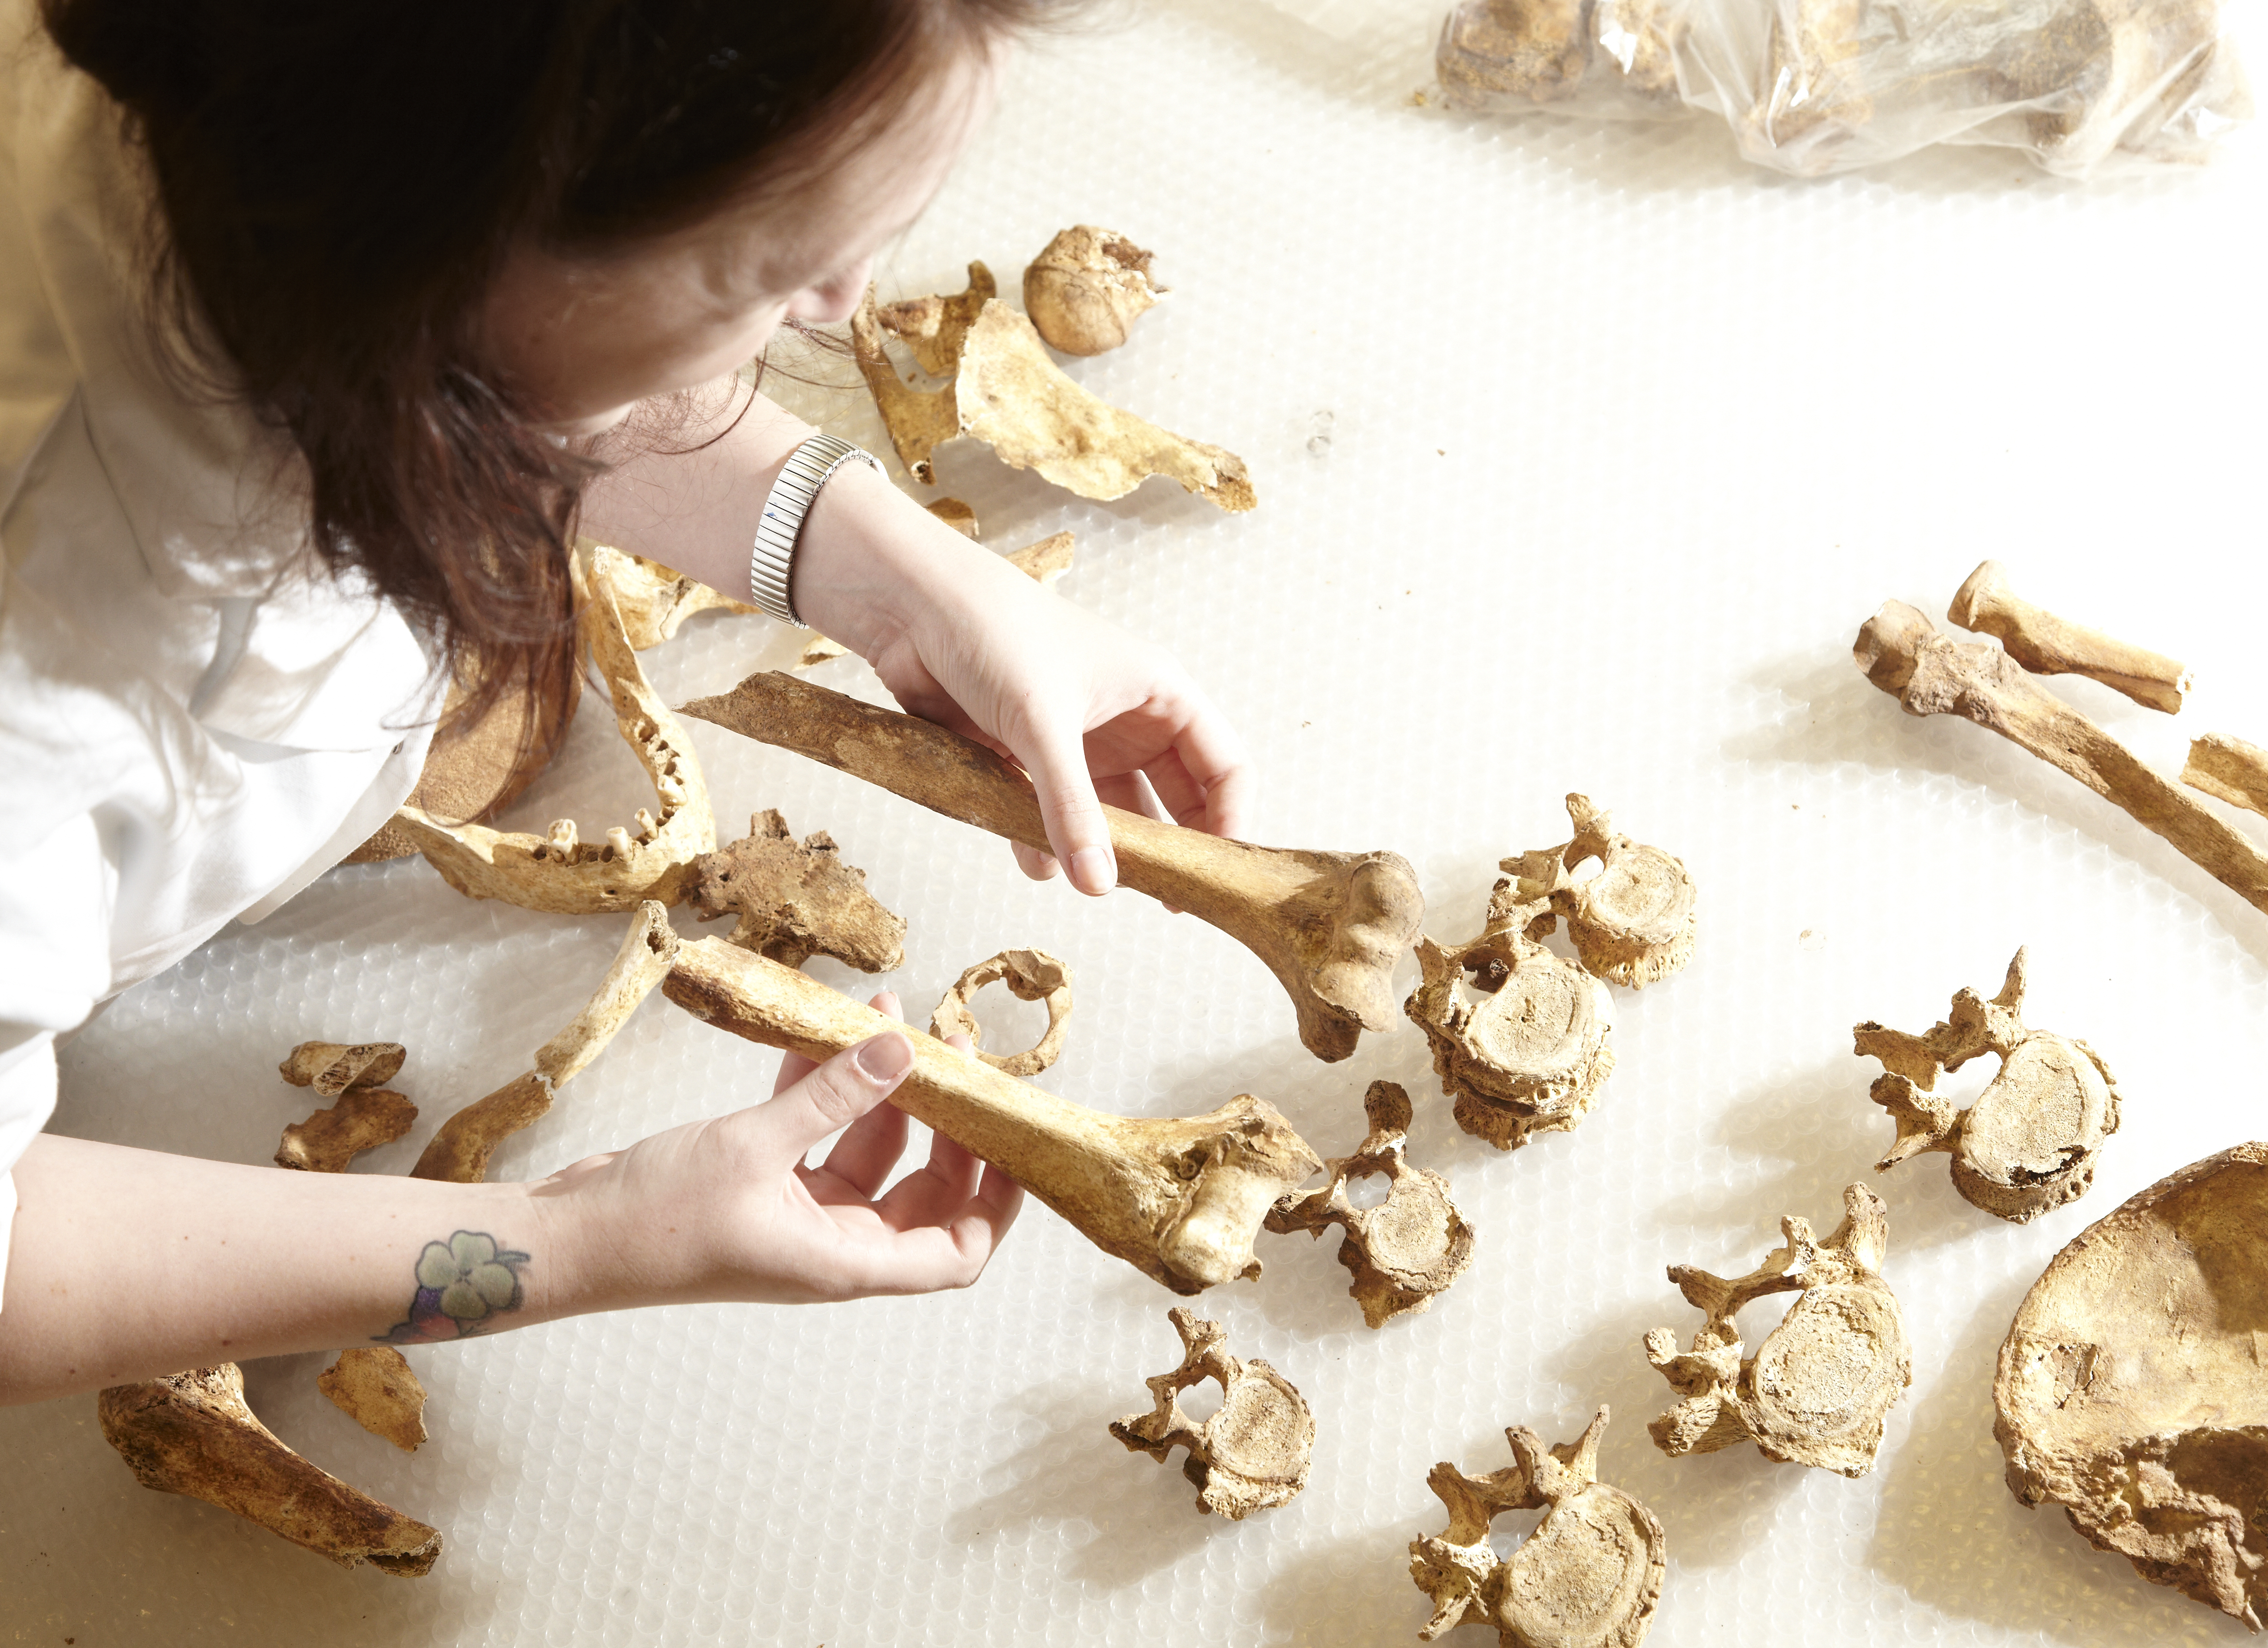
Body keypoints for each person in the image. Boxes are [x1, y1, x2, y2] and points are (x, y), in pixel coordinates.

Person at [0, 0, 1253, 1406]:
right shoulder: (44, 730)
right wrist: (573, 1246)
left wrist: (888, 571)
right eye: (771, 272)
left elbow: (476, 386)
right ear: (447, 233)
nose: (845, 301)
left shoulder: (266, 119)